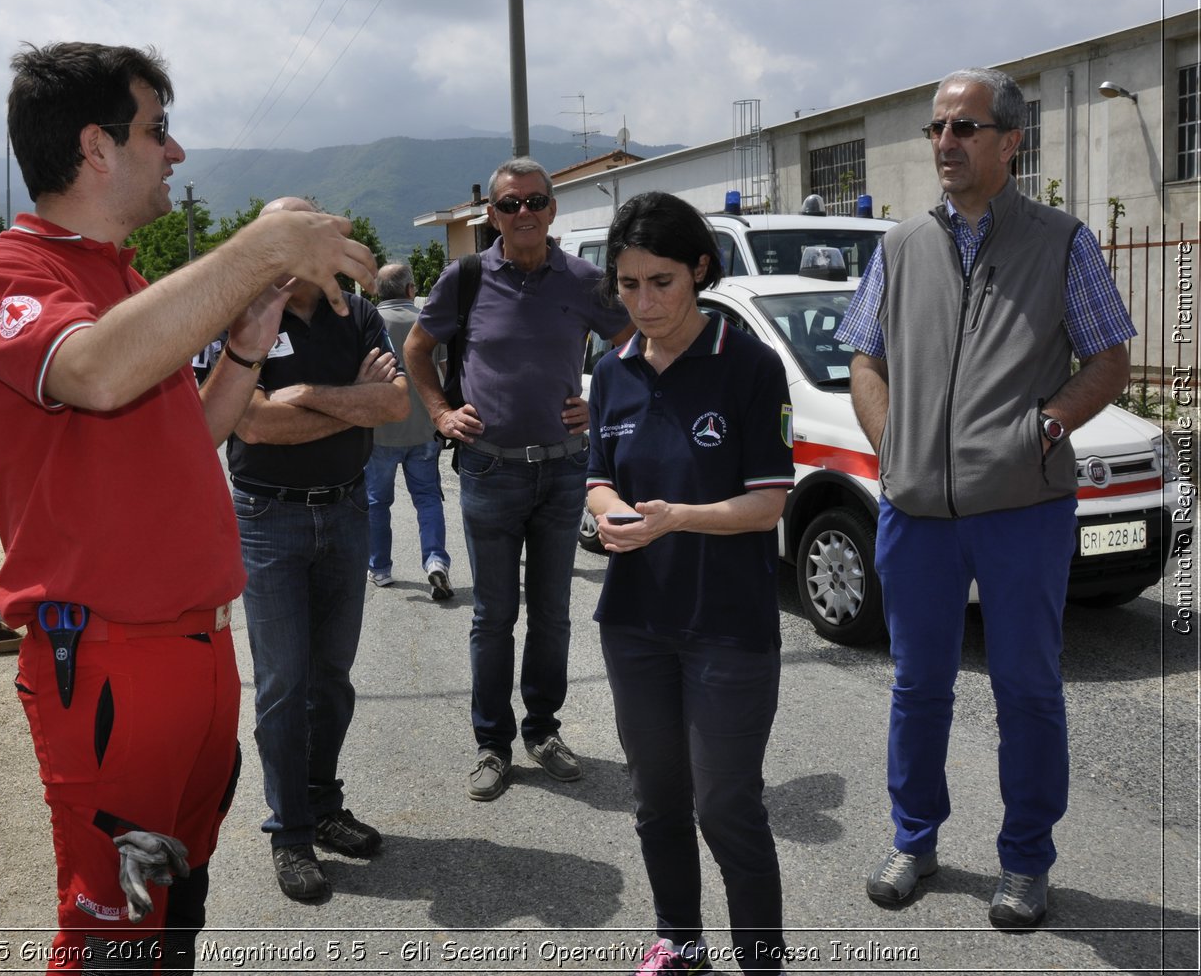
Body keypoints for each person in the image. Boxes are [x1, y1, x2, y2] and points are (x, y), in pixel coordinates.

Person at [0, 42, 377, 971]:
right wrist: (262, 243)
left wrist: (246, 348)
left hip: (191, 648)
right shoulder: (6, 272)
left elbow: (193, 431)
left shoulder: (126, 278)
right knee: (113, 931)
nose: (177, 153)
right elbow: (98, 373)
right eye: (160, 130)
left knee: (178, 905)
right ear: (96, 147)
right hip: (107, 656)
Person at [836, 66, 1135, 930]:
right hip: (916, 510)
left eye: (964, 128)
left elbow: (1109, 357)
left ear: (1011, 141)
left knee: (1027, 689)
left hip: (1022, 509)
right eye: (936, 128)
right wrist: (891, 440)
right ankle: (914, 839)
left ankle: (1026, 862)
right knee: (917, 685)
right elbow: (864, 356)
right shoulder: (898, 247)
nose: (945, 143)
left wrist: (1043, 429)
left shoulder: (1063, 240)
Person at [585, 193, 794, 975]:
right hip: (635, 622)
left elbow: (768, 502)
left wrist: (678, 519)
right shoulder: (612, 372)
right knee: (657, 802)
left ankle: (762, 963)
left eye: (661, 282)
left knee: (726, 806)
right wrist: (613, 513)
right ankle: (680, 942)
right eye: (628, 283)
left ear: (700, 271)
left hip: (728, 626)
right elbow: (597, 480)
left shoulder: (749, 365)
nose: (643, 302)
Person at [404, 157, 632, 802]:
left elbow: (634, 348)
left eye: (535, 202)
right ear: (492, 215)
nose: (523, 214)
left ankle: (543, 730)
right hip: (488, 470)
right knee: (494, 615)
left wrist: (605, 404)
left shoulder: (585, 280)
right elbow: (418, 349)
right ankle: (492, 744)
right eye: (510, 205)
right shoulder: (466, 277)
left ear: (553, 209)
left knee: (553, 614)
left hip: (564, 469)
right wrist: (442, 413)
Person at [226, 199, 409, 901]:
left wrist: (304, 394)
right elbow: (255, 424)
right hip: (266, 519)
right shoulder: (241, 312)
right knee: (283, 684)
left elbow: (394, 407)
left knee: (331, 678)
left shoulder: (356, 312)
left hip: (345, 509)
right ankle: (290, 831)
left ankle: (323, 804)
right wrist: (349, 397)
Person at [364, 262, 453, 599]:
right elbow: (445, 373)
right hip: (424, 428)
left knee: (376, 502)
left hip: (379, 431)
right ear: (410, 290)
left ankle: (381, 568)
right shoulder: (426, 322)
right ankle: (434, 560)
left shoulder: (368, 321)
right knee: (428, 498)